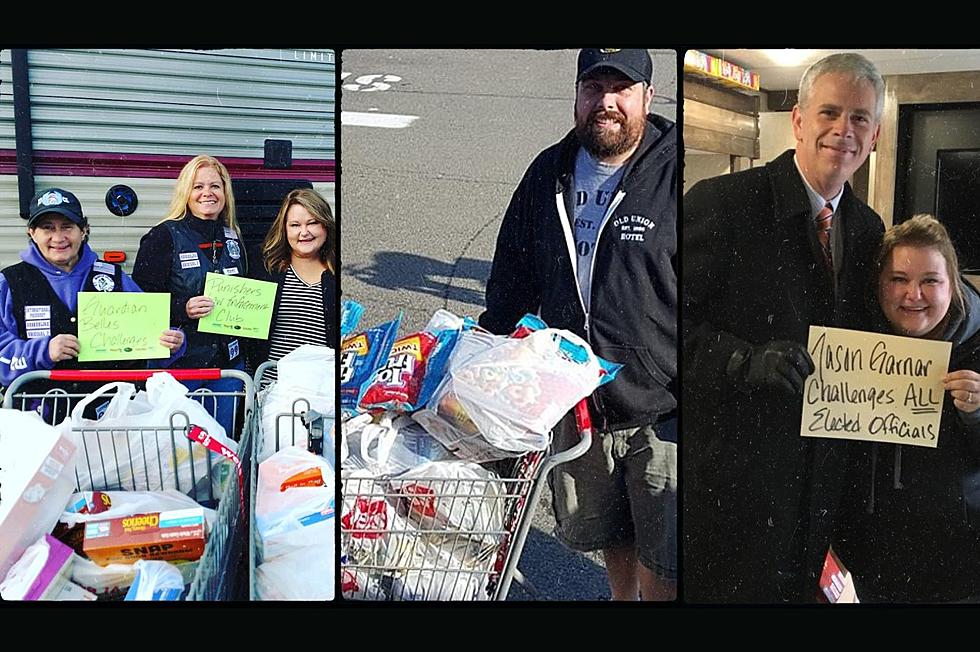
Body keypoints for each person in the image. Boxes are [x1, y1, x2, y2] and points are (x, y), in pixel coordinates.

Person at [683, 52, 886, 602]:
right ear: (798, 120)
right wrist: (743, 361)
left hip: (818, 498)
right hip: (732, 493)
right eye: (830, 113)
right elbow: (668, 326)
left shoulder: (869, 230)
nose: (843, 130)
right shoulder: (723, 204)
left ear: (874, 136)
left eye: (860, 119)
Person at [479, 49, 677, 601]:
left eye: (622, 88)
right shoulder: (549, 171)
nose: (606, 102)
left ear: (647, 97)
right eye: (594, 88)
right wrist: (484, 361)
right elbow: (511, 277)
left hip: (663, 406)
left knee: (667, 548)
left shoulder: (676, 170)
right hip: (577, 399)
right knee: (612, 530)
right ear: (576, 95)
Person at [832, 215, 980, 603]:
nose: (913, 294)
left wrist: (978, 415)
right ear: (880, 285)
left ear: (953, 283)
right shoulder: (852, 346)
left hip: (962, 568)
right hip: (873, 562)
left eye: (930, 280)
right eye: (898, 279)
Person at [0, 187, 184, 415]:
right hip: (38, 419)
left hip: (106, 419)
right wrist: (43, 351)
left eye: (67, 227)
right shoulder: (10, 282)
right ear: (32, 233)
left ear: (84, 230)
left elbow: (148, 339)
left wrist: (172, 344)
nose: (58, 238)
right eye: (48, 228)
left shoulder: (112, 277)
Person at [132, 155, 247, 435]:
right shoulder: (163, 236)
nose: (207, 193)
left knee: (225, 452)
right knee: (181, 458)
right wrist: (183, 308)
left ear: (225, 192)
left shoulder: (233, 236)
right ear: (186, 192)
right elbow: (138, 305)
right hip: (181, 370)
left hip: (227, 370)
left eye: (215, 186)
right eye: (198, 187)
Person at [246, 187, 336, 383]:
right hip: (271, 390)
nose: (304, 232)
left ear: (326, 225)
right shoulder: (263, 267)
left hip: (324, 390)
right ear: (284, 229)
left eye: (312, 223)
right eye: (295, 225)